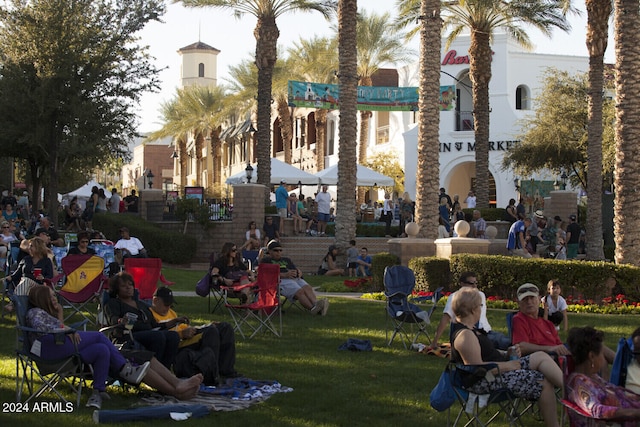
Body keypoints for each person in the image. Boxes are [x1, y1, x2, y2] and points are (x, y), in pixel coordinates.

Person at [450, 287, 563, 427]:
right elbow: (477, 369)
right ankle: (567, 403)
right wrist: (509, 366)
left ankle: (570, 388)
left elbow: (485, 355)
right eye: (480, 305)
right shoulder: (465, 336)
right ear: (473, 309)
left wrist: (506, 354)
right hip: (485, 381)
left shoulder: (472, 330)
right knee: (543, 382)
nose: (481, 309)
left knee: (540, 356)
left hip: (498, 370)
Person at [26, 285, 151, 409]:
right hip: (47, 349)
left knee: (101, 349)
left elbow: (60, 327)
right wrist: (67, 331)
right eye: (51, 296)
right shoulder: (34, 312)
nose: (54, 298)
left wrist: (60, 314)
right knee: (98, 336)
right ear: (42, 298)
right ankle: (125, 369)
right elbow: (41, 327)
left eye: (54, 295)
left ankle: (98, 392)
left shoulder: (47, 314)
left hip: (59, 348)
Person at [150, 287, 240, 386]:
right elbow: (158, 334)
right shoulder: (150, 315)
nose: (168, 308)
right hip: (178, 342)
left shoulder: (171, 312)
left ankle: (227, 371)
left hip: (188, 334)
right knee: (211, 332)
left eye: (170, 305)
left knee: (224, 327)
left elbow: (182, 327)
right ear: (155, 300)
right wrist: (181, 334)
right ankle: (212, 374)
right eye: (166, 305)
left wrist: (204, 326)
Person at [104, 272, 180, 369]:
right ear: (116, 289)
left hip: (148, 332)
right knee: (157, 336)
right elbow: (113, 319)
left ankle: (165, 368)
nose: (128, 288)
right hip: (128, 335)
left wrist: (174, 321)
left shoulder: (141, 304)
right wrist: (121, 321)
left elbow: (154, 324)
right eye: (123, 286)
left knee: (173, 336)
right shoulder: (113, 303)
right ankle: (153, 370)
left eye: (130, 284)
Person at [566, 326, 640, 424]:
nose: (603, 359)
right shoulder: (578, 384)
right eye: (602, 354)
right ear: (592, 356)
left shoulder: (593, 377)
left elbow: (620, 394)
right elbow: (597, 410)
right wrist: (635, 413)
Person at [428, 271, 511, 351]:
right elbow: (445, 318)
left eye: (475, 283)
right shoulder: (455, 297)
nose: (474, 286)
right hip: (470, 333)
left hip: (486, 331)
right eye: (471, 283)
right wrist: (435, 341)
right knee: (504, 343)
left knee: (506, 340)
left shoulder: (480, 295)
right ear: (462, 284)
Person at [260, 240, 328, 315]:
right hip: (280, 280)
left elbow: (294, 269)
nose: (278, 252)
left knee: (307, 287)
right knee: (300, 291)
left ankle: (316, 304)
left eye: (280, 250)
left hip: (293, 278)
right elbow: (266, 274)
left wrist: (299, 272)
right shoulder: (266, 261)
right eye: (276, 250)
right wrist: (284, 275)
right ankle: (313, 309)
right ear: (269, 251)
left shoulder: (286, 260)